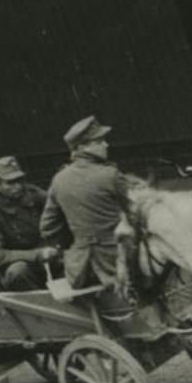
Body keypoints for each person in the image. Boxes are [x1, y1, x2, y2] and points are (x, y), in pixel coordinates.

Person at [40, 115, 129, 289]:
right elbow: (137, 213)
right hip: (118, 265)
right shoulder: (111, 175)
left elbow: (47, 227)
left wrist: (76, 243)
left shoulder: (59, 179)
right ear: (82, 147)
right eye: (99, 141)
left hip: (79, 270)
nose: (106, 145)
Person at [0, 156, 60, 291]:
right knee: (18, 271)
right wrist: (37, 255)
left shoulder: (34, 195)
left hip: (45, 257)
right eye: (10, 183)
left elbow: (57, 213)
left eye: (20, 180)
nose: (18, 186)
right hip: (12, 269)